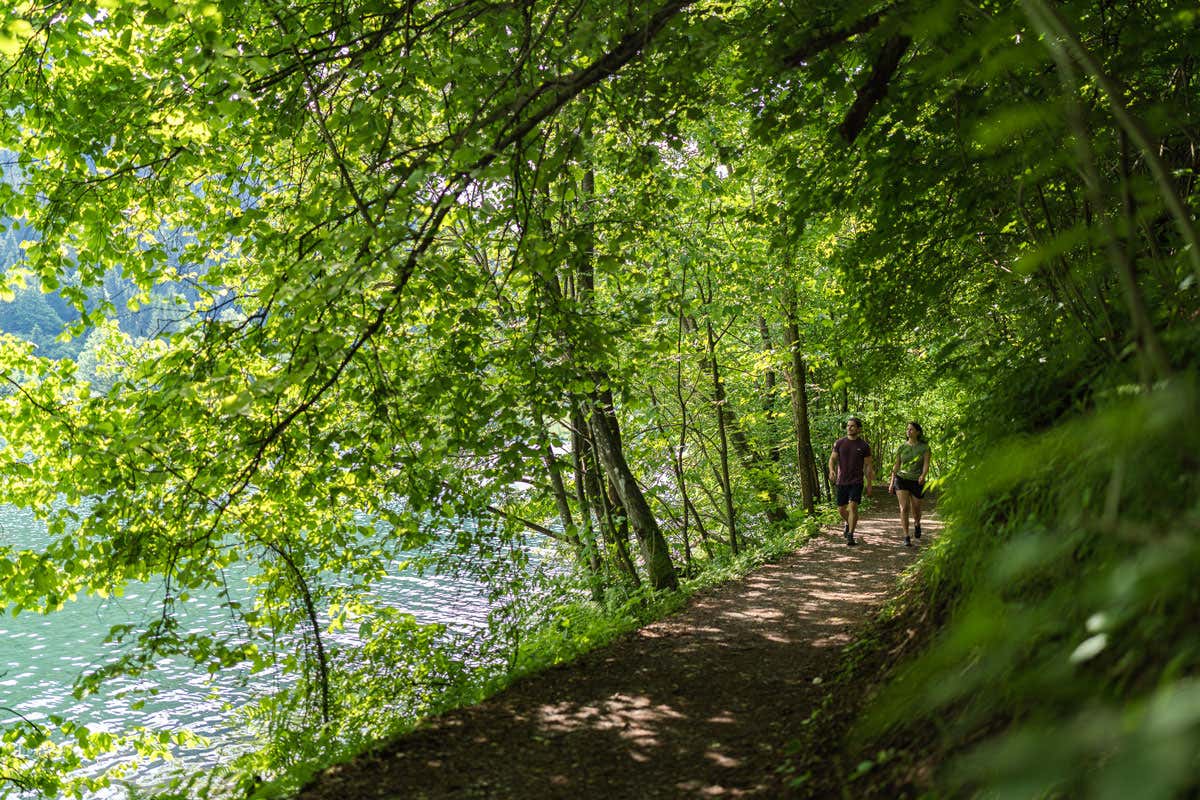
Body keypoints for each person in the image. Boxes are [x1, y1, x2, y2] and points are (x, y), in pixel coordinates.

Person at [828, 417, 873, 546]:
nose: (849, 428)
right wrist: (831, 471)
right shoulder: (839, 443)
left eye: (852, 426)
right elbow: (832, 459)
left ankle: (851, 535)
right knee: (841, 510)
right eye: (848, 425)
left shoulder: (864, 446)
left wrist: (869, 483)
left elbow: (869, 465)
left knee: (853, 507)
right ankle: (848, 522)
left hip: (856, 481)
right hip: (842, 481)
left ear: (858, 429)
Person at [889, 421, 932, 546]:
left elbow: (926, 464)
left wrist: (923, 476)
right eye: (907, 429)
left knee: (916, 508)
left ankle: (917, 523)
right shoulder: (902, 447)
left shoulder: (924, 447)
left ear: (918, 432)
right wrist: (892, 482)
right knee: (904, 507)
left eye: (911, 429)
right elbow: (896, 465)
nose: (908, 431)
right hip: (901, 479)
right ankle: (906, 536)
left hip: (916, 480)